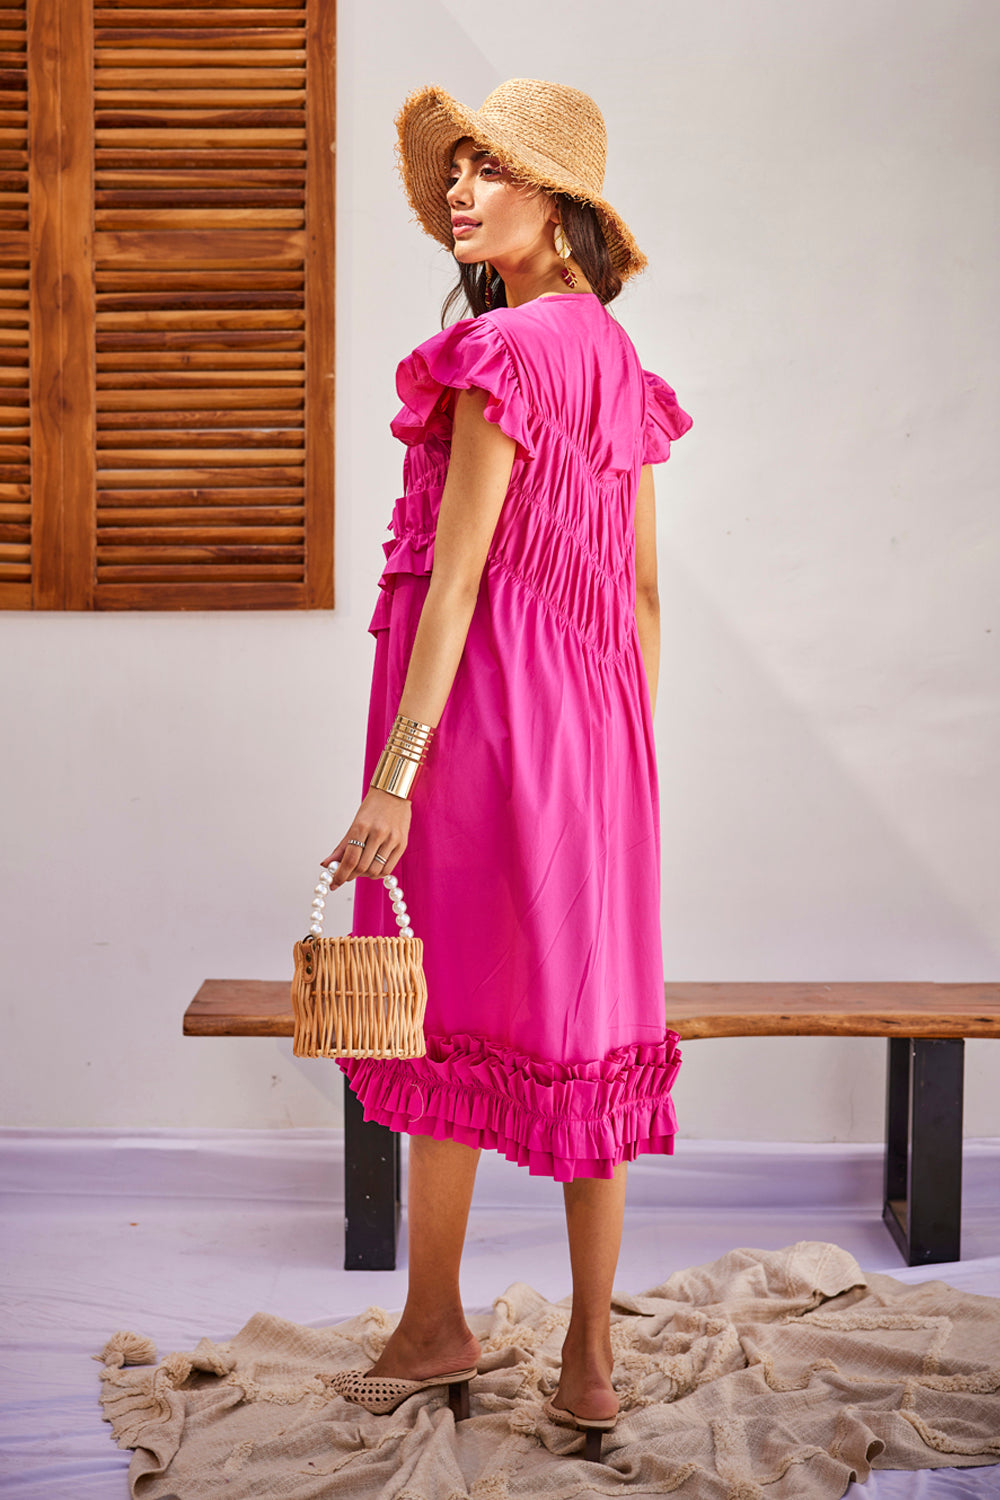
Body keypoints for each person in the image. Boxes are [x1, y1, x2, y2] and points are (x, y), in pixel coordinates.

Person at [321, 78, 693, 1456]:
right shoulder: (620, 362)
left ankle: (435, 1324)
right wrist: (616, 757)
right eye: (457, 171)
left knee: (440, 1011)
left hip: (479, 733)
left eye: (493, 170)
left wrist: (396, 776)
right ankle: (590, 1361)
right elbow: (642, 596)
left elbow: (460, 582)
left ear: (562, 204)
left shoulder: (500, 353)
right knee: (592, 1030)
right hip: (598, 742)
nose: (461, 192)